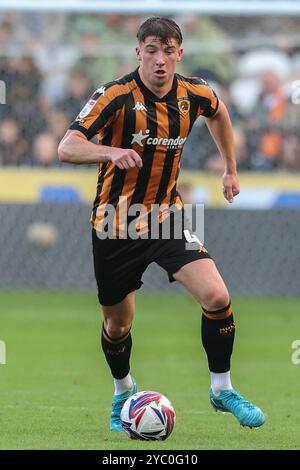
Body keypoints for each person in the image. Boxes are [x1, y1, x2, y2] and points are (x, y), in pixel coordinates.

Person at [58, 17, 265, 431]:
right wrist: (109, 153)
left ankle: (222, 389)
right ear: (138, 52)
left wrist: (230, 169)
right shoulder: (114, 96)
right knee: (118, 326)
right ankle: (122, 393)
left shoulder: (195, 92)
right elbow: (68, 147)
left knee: (217, 296)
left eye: (168, 52)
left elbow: (219, 114)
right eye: (151, 51)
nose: (160, 61)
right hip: (115, 223)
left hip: (165, 217)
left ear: (179, 54)